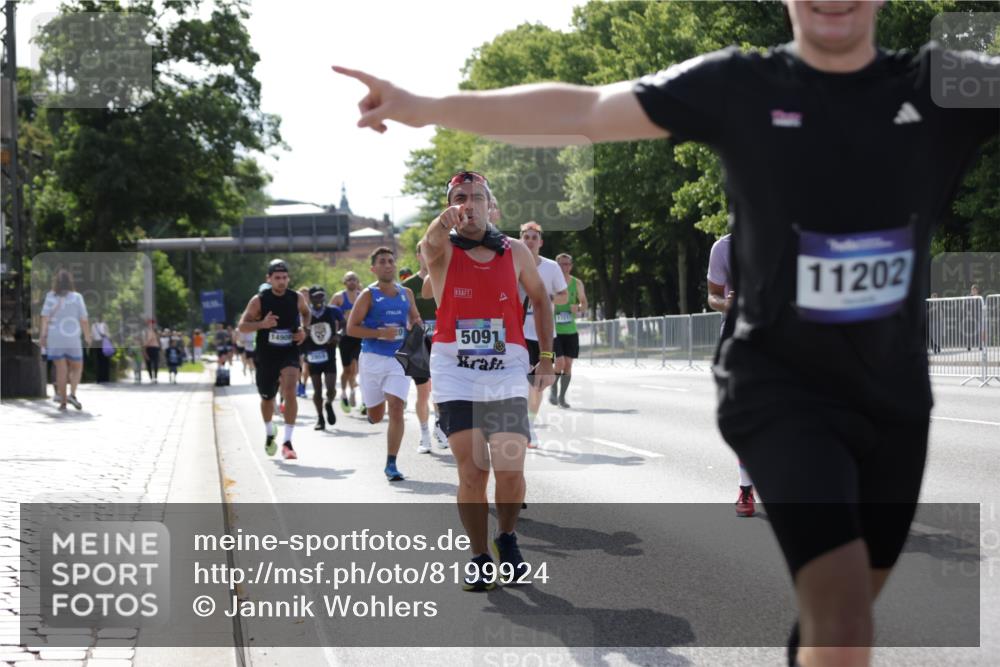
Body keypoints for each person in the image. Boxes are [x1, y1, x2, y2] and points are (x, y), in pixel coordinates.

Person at [334, 9, 999, 661]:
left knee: (848, 616)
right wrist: (426, 105)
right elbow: (585, 110)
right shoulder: (743, 85)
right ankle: (489, 549)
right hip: (783, 387)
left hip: (894, 394)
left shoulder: (941, 86)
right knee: (845, 608)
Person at [422, 170, 554, 590]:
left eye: (477, 196)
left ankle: (507, 537)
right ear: (449, 205)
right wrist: (444, 223)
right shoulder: (442, 252)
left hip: (507, 368)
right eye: (460, 196)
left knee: (510, 469)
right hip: (454, 370)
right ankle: (479, 555)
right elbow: (428, 244)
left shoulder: (515, 251)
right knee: (473, 471)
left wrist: (546, 356)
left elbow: (540, 298)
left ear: (491, 206)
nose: (469, 203)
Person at [346, 246, 421, 481]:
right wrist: (379, 333)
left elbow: (415, 317)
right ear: (374, 268)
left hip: (399, 359)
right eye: (382, 262)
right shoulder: (368, 295)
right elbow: (351, 328)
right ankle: (370, 411)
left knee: (397, 408)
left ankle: (391, 463)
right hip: (372, 359)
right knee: (377, 416)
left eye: (391, 260)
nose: (388, 265)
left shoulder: (406, 293)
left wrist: (417, 325)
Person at [238, 259, 311, 460]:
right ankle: (270, 431)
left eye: (284, 278)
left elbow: (306, 314)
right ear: (269, 279)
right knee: (267, 397)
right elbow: (242, 326)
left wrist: (304, 330)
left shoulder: (296, 298)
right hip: (266, 353)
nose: (281, 282)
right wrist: (262, 324)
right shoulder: (259, 300)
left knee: (289, 390)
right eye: (277, 278)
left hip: (289, 350)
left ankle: (288, 442)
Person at [707, 233, 757, 517]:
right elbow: (712, 295)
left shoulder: (788, 237)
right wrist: (726, 303)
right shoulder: (723, 247)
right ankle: (746, 489)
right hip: (738, 333)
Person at [517, 222, 567, 448]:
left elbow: (564, 297)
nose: (529, 241)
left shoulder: (551, 267)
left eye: (533, 237)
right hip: (519, 332)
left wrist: (544, 301)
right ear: (520, 239)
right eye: (525, 237)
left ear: (540, 242)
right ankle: (521, 424)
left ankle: (529, 425)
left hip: (545, 334)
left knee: (537, 385)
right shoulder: (512, 263)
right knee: (522, 383)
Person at [402, 242, 447, 452]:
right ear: (418, 255)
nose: (428, 256)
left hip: (441, 340)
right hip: (419, 342)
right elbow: (404, 315)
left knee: (439, 390)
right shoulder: (409, 284)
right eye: (423, 252)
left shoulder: (443, 277)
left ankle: (440, 429)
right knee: (422, 392)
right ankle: (424, 435)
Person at [39, 269, 93, 410]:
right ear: (70, 282)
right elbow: (84, 319)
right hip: (72, 338)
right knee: (77, 366)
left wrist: (43, 336)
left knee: (61, 369)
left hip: (54, 338)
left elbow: (44, 318)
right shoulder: (77, 297)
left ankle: (63, 402)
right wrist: (87, 336)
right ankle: (72, 394)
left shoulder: (50, 296)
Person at [303, 285, 345, 431]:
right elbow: (297, 329)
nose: (319, 299)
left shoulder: (333, 310)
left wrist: (338, 335)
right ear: (310, 297)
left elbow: (344, 325)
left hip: (329, 354)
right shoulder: (305, 313)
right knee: (317, 390)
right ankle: (320, 418)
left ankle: (328, 403)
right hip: (313, 354)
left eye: (321, 295)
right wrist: (304, 333)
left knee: (332, 388)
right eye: (316, 296)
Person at [550, 253, 587, 409]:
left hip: (570, 330)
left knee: (568, 365)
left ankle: (562, 397)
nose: (564, 267)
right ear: (556, 266)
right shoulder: (551, 284)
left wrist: (577, 308)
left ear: (571, 266)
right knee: (559, 363)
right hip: (554, 331)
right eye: (561, 264)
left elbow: (584, 305)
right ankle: (553, 388)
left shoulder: (577, 283)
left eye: (567, 264)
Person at [333, 271, 363, 413]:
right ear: (344, 282)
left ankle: (353, 393)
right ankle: (344, 392)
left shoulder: (363, 296)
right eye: (349, 279)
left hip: (359, 336)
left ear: (358, 282)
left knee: (356, 367)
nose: (352, 282)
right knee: (346, 370)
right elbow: (329, 314)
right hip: (345, 337)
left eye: (354, 279)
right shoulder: (339, 297)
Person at [90, 313, 112, 384]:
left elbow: (92, 336)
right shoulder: (104, 325)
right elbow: (108, 334)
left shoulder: (94, 325)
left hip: (98, 343)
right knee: (103, 361)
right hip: (102, 343)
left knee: (99, 361)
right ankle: (104, 378)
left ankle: (100, 378)